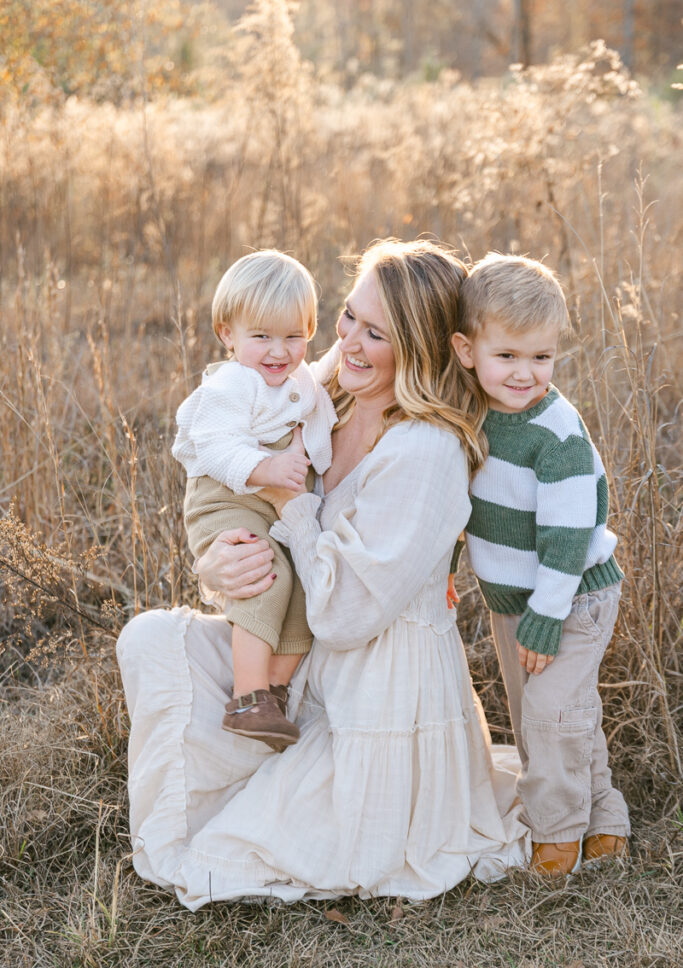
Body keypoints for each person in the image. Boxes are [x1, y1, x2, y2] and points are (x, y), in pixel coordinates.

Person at [116, 239, 530, 911]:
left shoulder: (424, 452)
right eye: (348, 317)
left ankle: (287, 772)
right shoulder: (327, 390)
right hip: (298, 657)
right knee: (151, 640)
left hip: (376, 689)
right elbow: (221, 465)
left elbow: (343, 617)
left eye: (377, 334)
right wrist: (216, 565)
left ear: (420, 349)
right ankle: (259, 738)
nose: (350, 343)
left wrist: (291, 504)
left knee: (237, 848)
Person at [451, 252, 630, 877]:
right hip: (515, 604)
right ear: (466, 350)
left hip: (571, 598)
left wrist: (548, 615)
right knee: (561, 714)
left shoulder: (557, 435)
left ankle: (556, 836)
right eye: (507, 355)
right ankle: (605, 818)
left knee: (550, 717)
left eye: (541, 356)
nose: (525, 373)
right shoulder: (473, 414)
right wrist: (449, 566)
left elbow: (569, 537)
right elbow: (457, 501)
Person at [171, 250, 337, 751]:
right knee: (265, 573)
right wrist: (269, 468)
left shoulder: (302, 380)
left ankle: (274, 693)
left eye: (293, 336)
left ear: (310, 331)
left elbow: (325, 394)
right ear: (227, 334)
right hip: (225, 499)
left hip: (269, 503)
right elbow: (216, 448)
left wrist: (311, 456)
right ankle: (247, 698)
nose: (278, 351)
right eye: (261, 336)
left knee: (303, 591)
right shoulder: (232, 383)